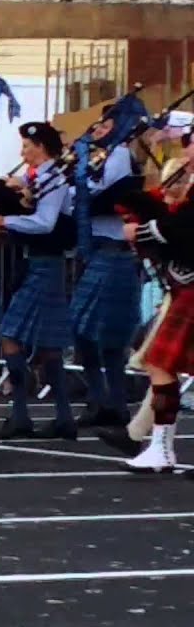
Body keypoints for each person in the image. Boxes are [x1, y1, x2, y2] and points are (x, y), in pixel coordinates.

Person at [99, 147, 194, 472]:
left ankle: (158, 448)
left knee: (160, 364)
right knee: (160, 364)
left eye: (192, 143)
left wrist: (142, 230)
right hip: (185, 286)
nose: (187, 150)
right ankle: (158, 447)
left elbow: (184, 229)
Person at [0, 121, 78, 440]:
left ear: (41, 147)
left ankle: (21, 413)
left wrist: (3, 220)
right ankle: (63, 417)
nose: (23, 152)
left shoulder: (54, 179)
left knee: (10, 334)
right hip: (39, 263)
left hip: (44, 265)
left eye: (26, 146)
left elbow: (45, 223)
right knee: (48, 346)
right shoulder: (41, 178)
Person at [68, 110, 142, 428]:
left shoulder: (120, 155)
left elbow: (105, 194)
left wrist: (79, 183)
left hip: (114, 252)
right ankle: (103, 399)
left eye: (108, 125)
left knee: (100, 332)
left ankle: (111, 402)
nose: (99, 129)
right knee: (86, 331)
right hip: (97, 250)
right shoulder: (99, 155)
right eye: (99, 124)